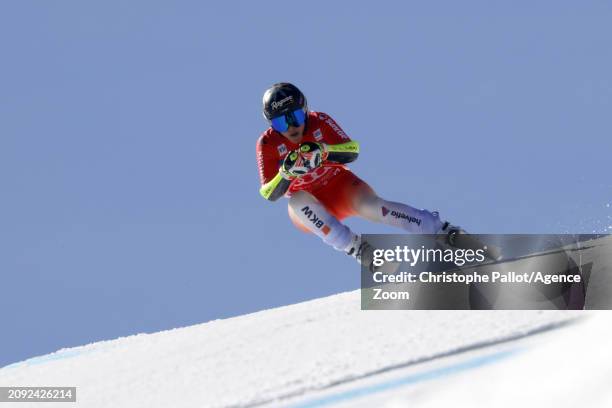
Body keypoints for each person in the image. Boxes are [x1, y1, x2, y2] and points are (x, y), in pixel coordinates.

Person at [256, 82, 461, 269]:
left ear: (306, 110)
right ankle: (358, 249)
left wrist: (324, 150)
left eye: (296, 116)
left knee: (374, 208)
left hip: (340, 186)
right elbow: (268, 192)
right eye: (281, 122)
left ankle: (441, 231)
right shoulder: (267, 144)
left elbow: (353, 150)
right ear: (271, 125)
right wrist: (285, 173)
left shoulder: (319, 120)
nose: (292, 126)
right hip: (310, 207)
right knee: (296, 201)